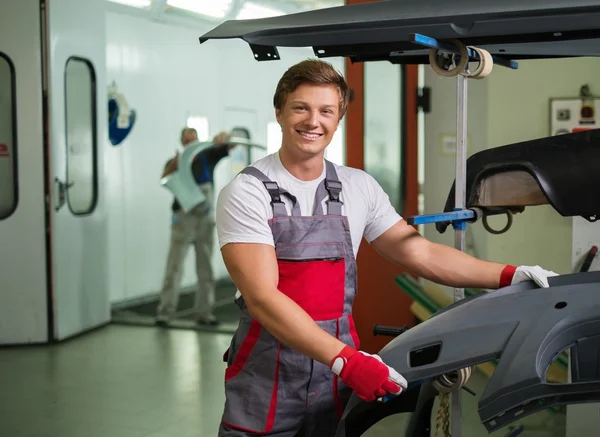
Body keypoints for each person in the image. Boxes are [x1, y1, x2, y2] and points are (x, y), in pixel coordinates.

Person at [214, 59, 558, 436]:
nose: (314, 121)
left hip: (334, 381)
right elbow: (263, 298)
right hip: (268, 380)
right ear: (279, 112)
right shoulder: (247, 192)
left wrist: (509, 274)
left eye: (326, 111)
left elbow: (418, 252)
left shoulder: (356, 186)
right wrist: (348, 361)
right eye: (301, 108)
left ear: (338, 118)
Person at [156, 127, 234, 327]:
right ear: (181, 142)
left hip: (204, 218)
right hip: (182, 219)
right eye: (187, 141)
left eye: (194, 140)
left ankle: (204, 314)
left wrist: (223, 138)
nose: (191, 144)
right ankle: (165, 313)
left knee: (205, 268)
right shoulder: (175, 162)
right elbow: (164, 177)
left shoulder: (207, 157)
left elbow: (230, 144)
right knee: (174, 267)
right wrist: (178, 160)